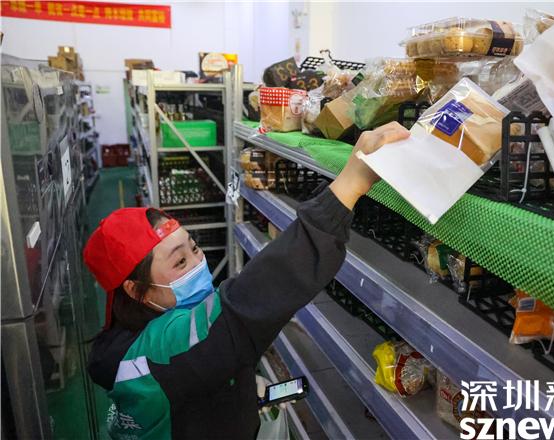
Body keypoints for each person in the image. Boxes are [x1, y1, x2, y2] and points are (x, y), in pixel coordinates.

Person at [85, 122, 410, 439]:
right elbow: (240, 313)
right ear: (136, 291)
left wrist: (239, 389)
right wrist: (348, 187)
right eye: (180, 262)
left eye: (194, 248)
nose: (198, 264)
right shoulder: (149, 357)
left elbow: (207, 355)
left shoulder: (168, 333)